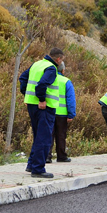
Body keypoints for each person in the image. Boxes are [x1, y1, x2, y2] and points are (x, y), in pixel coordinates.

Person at [19, 48, 63, 178]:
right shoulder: (51, 68)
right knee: (44, 138)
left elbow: (23, 78)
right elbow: (42, 84)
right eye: (62, 60)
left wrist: (27, 95)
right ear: (58, 59)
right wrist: (42, 99)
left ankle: (31, 164)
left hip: (32, 104)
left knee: (38, 136)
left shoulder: (37, 64)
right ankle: (38, 169)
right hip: (44, 107)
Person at [46, 61, 76, 163]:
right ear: (63, 70)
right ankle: (61, 156)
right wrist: (71, 114)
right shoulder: (66, 81)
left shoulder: (48, 79)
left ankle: (47, 156)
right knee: (61, 136)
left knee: (48, 135)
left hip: (49, 111)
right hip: (62, 114)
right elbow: (70, 100)